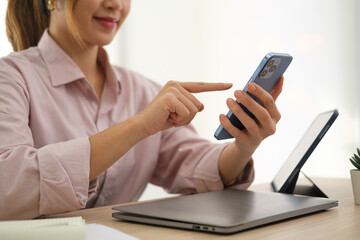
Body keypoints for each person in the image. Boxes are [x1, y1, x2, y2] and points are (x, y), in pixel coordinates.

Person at [0, 0, 283, 220]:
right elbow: (7, 186)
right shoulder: (10, 77)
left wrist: (244, 145)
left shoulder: (143, 91)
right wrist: (140, 126)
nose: (116, 4)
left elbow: (196, 167)